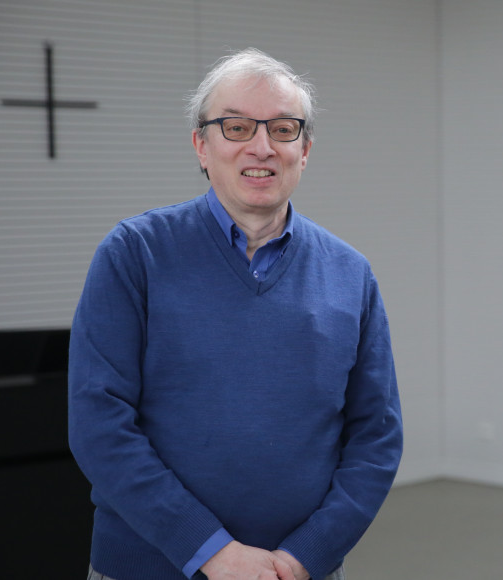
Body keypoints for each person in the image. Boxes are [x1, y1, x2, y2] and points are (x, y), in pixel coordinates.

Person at [69, 48, 403, 580]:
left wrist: (303, 557)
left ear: (306, 149)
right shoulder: (135, 254)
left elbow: (376, 438)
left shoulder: (350, 274)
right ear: (201, 146)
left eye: (284, 129)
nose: (262, 147)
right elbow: (98, 426)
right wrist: (211, 553)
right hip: (149, 568)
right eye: (237, 126)